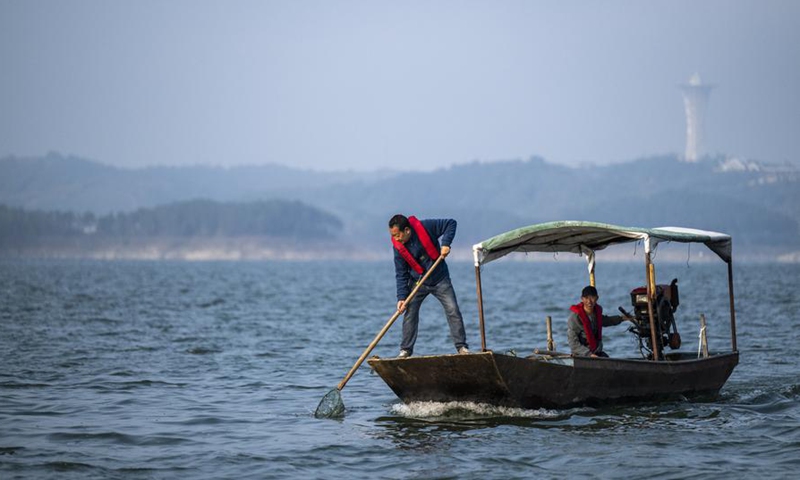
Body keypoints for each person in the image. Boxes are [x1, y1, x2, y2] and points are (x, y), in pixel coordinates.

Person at [388, 214, 469, 358]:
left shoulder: (425, 227)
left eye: (398, 235)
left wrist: (446, 243)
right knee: (410, 313)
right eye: (393, 236)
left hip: (440, 278)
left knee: (453, 309)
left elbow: (451, 222)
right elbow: (401, 273)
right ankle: (405, 351)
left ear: (407, 230)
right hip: (418, 282)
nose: (396, 239)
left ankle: (461, 347)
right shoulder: (398, 246)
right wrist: (401, 297)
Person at [567, 285, 628, 357]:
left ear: (597, 298)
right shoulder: (575, 317)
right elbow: (573, 343)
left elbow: (607, 320)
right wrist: (589, 354)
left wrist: (623, 318)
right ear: (582, 299)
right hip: (581, 355)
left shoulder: (596, 314)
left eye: (592, 298)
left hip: (596, 353)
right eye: (586, 298)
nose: (589, 301)